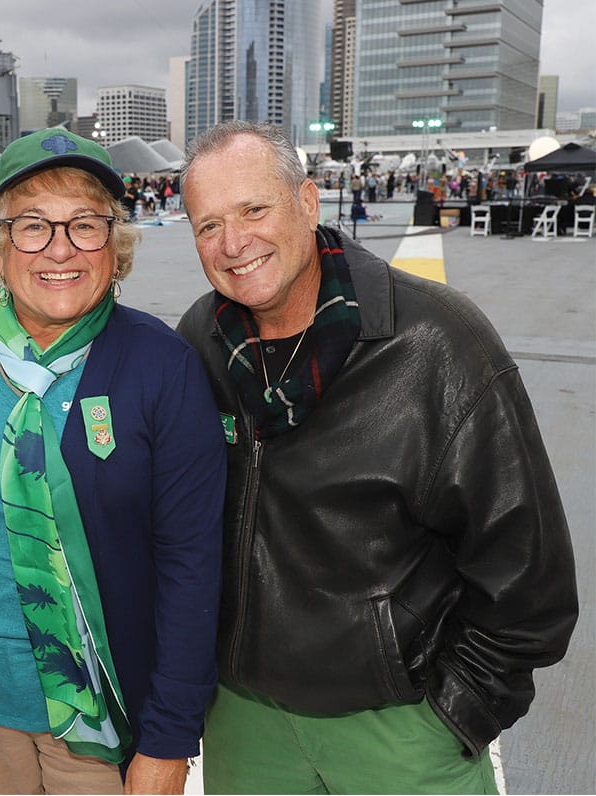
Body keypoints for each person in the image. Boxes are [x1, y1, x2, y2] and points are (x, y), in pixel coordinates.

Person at [175, 121, 578, 795]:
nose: (232, 243)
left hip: (399, 727)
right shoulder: (202, 339)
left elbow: (529, 574)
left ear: (307, 202)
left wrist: (457, 713)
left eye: (254, 209)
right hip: (245, 720)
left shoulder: (438, 342)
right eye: (207, 225)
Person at [0, 127, 225, 794]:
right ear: (1, 244)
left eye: (84, 225)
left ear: (115, 244)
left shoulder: (159, 366)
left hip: (103, 711)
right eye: (33, 226)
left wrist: (171, 735)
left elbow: (192, 563)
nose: (59, 249)